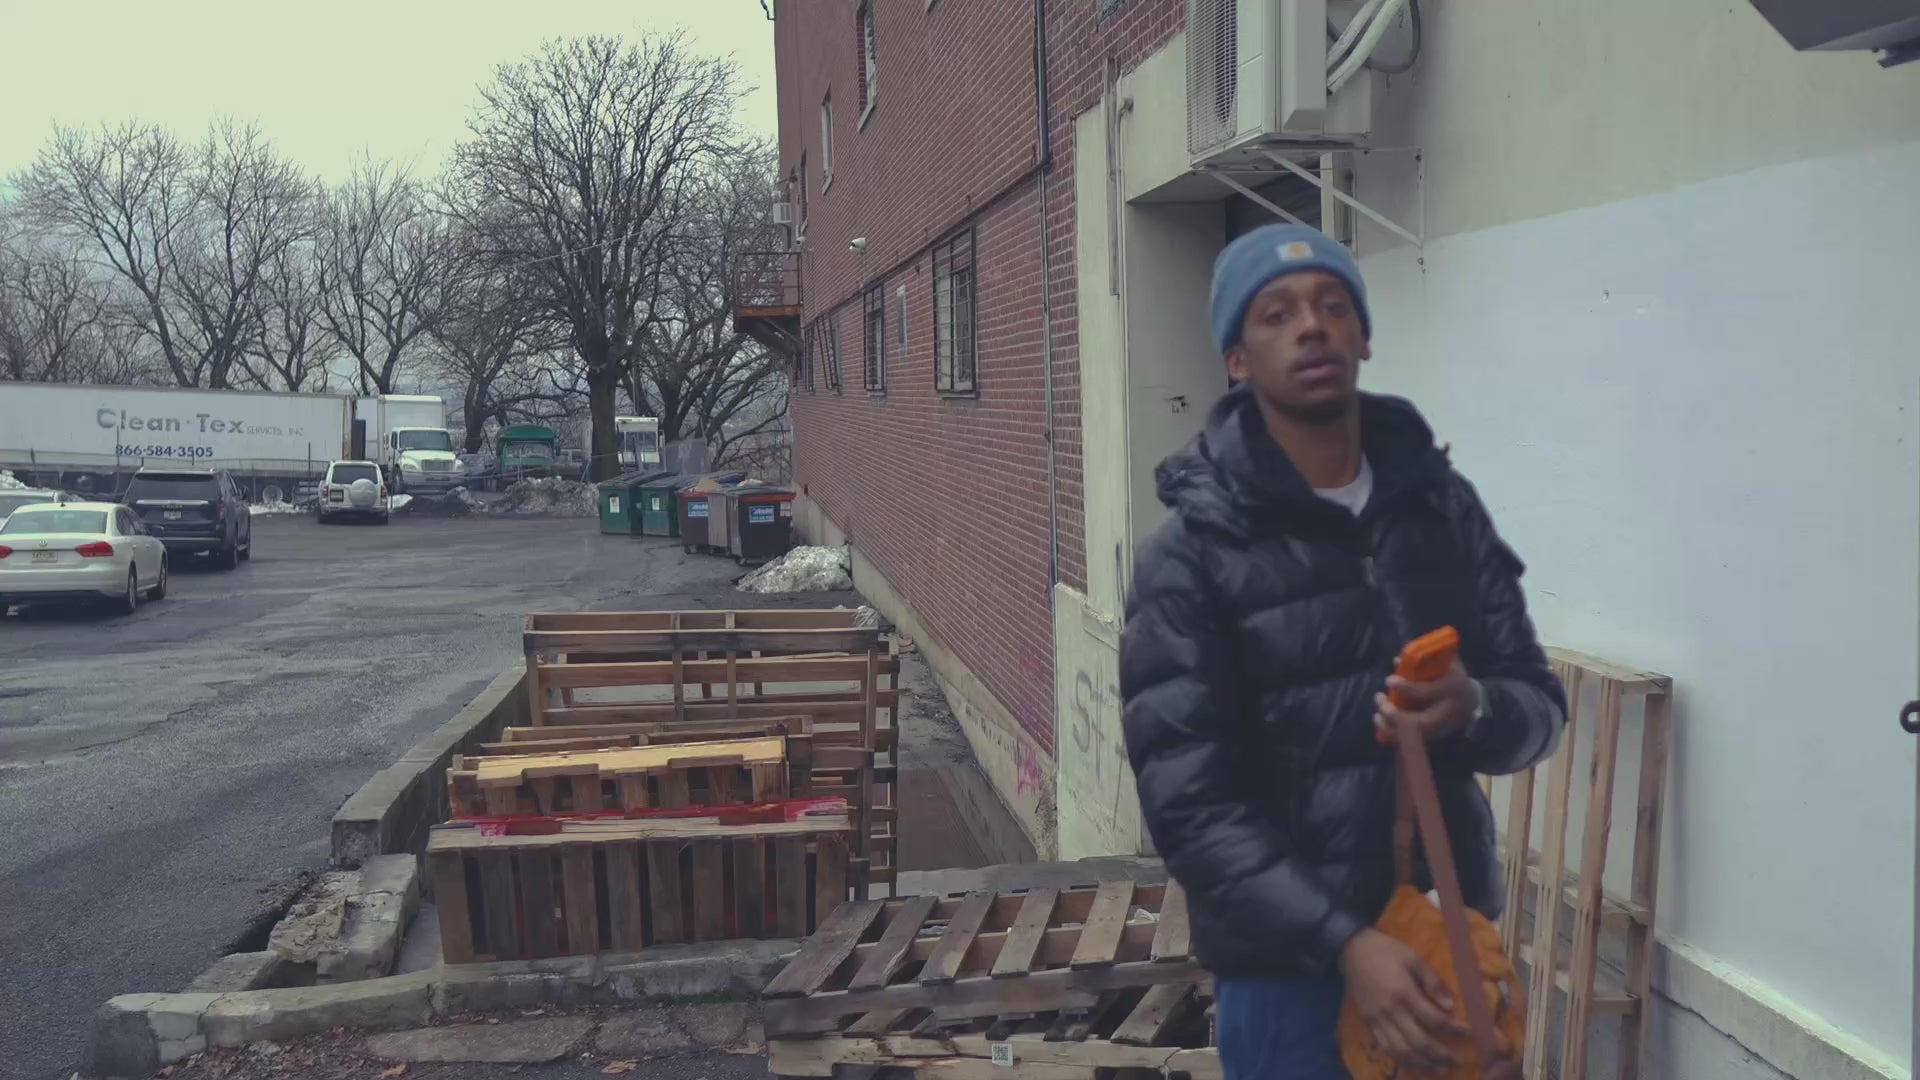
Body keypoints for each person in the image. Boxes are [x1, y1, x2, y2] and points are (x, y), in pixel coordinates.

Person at [1119, 223, 1566, 1078]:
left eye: (1332, 306)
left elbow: (1539, 705)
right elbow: (1189, 807)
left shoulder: (1440, 507)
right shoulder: (1190, 557)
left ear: (1363, 336)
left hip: (1442, 947)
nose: (1311, 327)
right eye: (1277, 314)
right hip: (1289, 983)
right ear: (1236, 359)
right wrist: (1346, 943)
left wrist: (1474, 706)